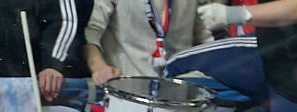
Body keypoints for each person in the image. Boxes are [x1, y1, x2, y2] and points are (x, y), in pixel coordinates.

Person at [83, 0, 212, 85]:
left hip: (179, 93)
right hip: (127, 88)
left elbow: (203, 40)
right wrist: (99, 67)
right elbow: (91, 31)